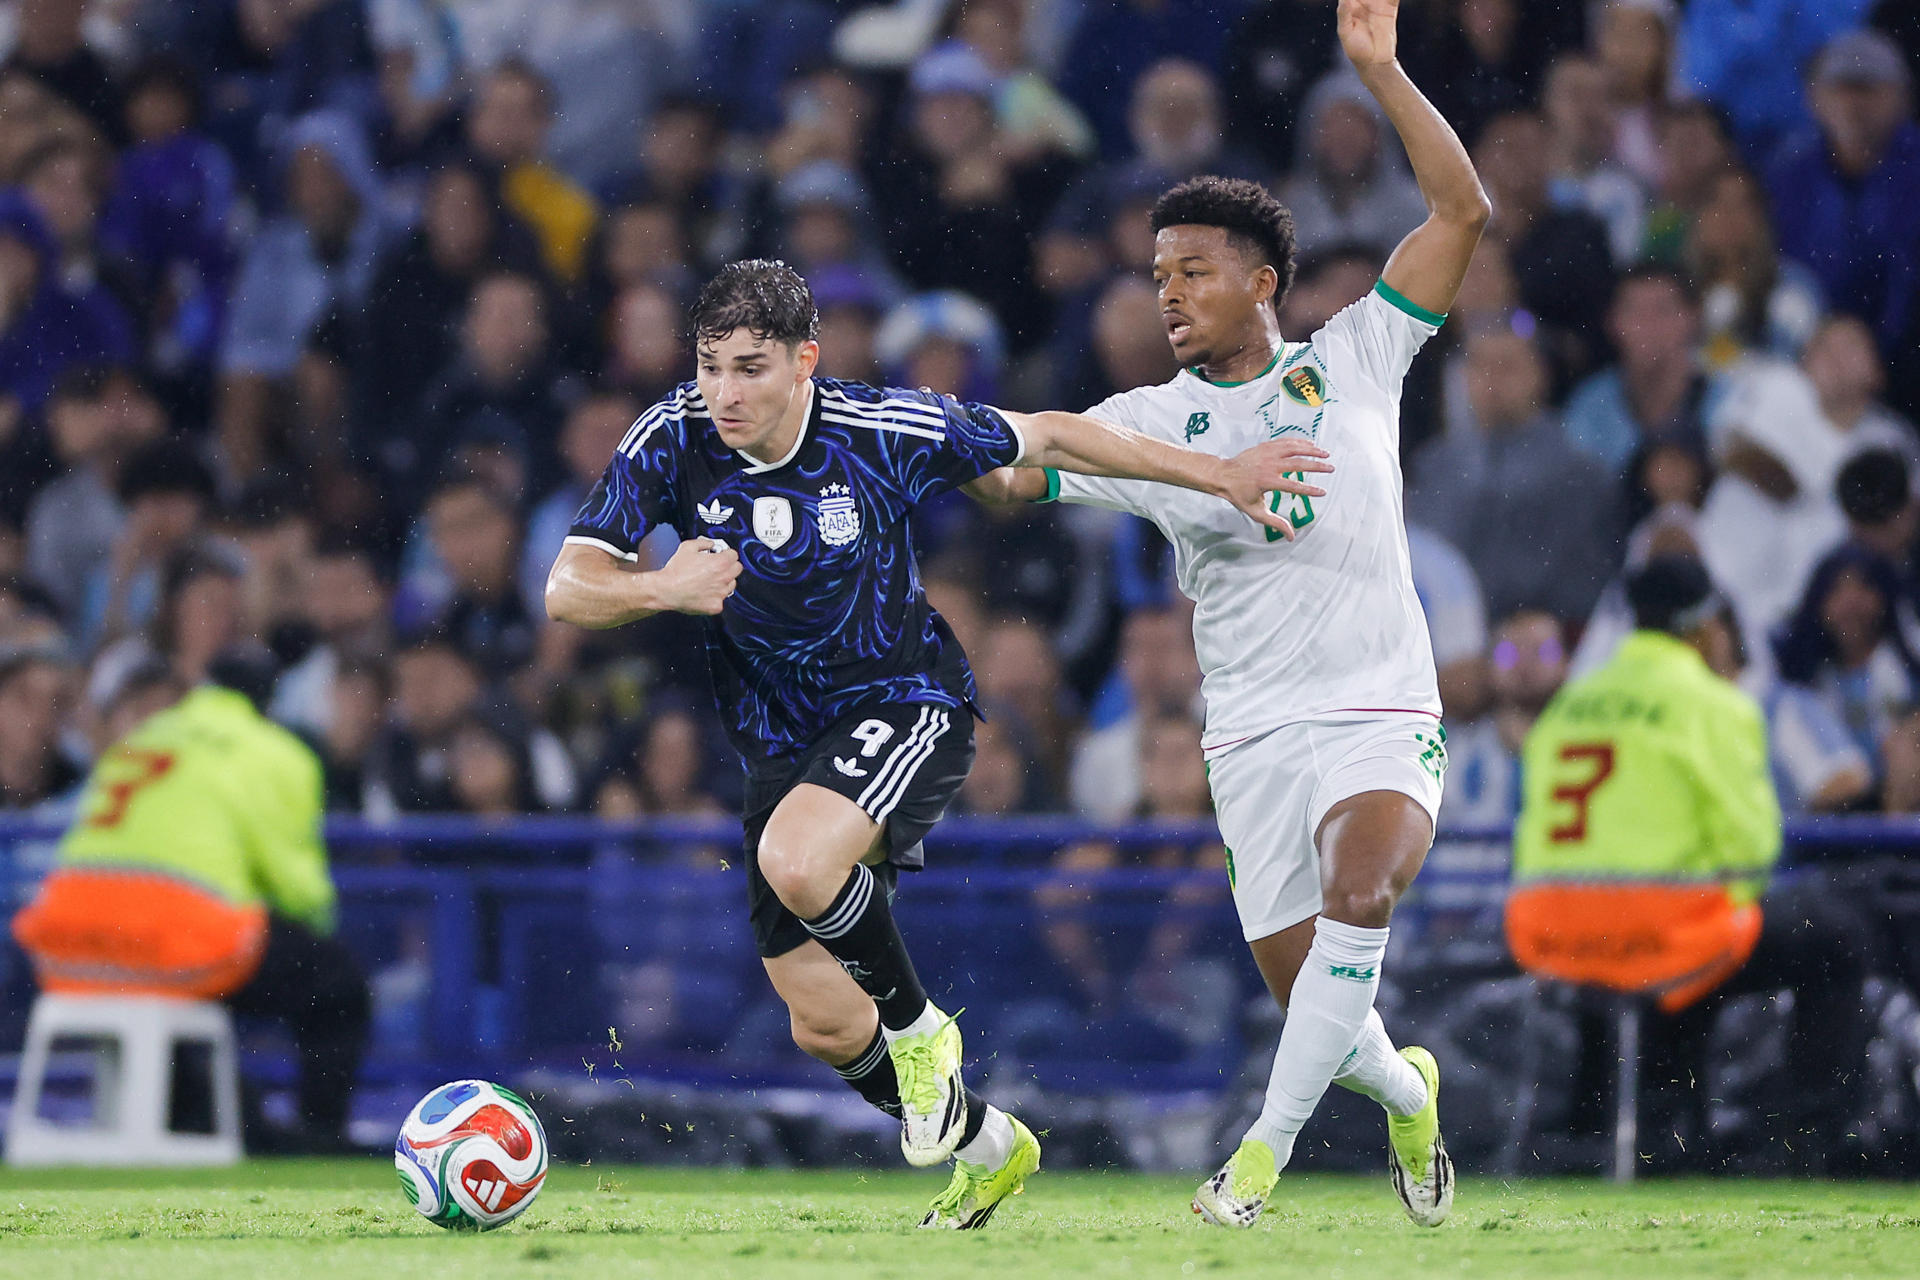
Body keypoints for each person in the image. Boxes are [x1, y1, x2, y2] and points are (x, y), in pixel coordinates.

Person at [544, 258, 1323, 1227]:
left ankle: (923, 1034)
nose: (725, 392)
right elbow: (566, 585)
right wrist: (662, 585)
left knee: (796, 860)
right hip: (781, 749)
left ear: (805, 362)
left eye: (750, 367)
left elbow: (1048, 435)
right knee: (820, 1018)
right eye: (709, 366)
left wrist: (1219, 472)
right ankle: (990, 1142)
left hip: (909, 700)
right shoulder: (673, 437)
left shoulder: (877, 427)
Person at [969, 0, 1485, 1229]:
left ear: (1262, 281)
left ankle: (1254, 1161)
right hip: (1250, 736)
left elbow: (1461, 214)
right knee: (1328, 1005)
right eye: (1157, 276)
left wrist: (1382, 70)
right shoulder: (1149, 422)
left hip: (1378, 704)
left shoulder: (1358, 355)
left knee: (1363, 896)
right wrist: (951, 438)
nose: (1169, 294)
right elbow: (1017, 469)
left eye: (1192, 271)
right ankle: (1409, 1093)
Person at [1509, 558, 1870, 1173]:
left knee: (1679, 955)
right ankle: (1811, 1142)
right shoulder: (1715, 705)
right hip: (1659, 938)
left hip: (1548, 935)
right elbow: (1751, 848)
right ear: (1705, 626)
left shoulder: (1570, 704)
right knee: (1834, 937)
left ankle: (1602, 1123)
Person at [10, 653, 370, 1151]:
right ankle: (323, 1137)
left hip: (63, 943)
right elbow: (298, 887)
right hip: (172, 938)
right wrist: (312, 928)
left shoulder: (146, 738)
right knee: (337, 986)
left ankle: (201, 1117)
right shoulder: (275, 751)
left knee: (187, 1005)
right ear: (267, 704)